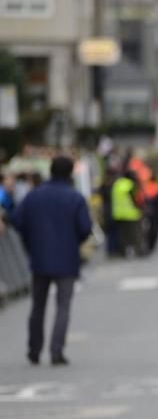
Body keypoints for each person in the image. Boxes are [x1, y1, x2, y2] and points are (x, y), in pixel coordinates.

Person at [10, 156, 93, 366]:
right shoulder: (74, 198)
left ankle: (34, 349)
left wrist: (31, 239)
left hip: (39, 257)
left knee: (38, 305)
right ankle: (57, 350)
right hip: (66, 258)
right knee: (63, 306)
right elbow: (85, 228)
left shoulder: (34, 196)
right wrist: (73, 241)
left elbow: (17, 220)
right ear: (70, 173)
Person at [111, 168, 144, 258]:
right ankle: (138, 251)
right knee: (135, 234)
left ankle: (123, 252)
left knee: (123, 235)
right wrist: (141, 209)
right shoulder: (131, 185)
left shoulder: (117, 184)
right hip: (131, 214)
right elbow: (136, 199)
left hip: (118, 214)